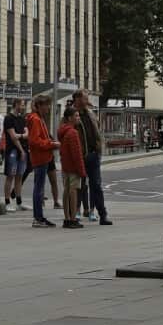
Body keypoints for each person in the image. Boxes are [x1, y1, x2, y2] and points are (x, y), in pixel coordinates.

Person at [72, 90, 112, 226]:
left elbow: (98, 128)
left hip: (93, 155)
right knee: (78, 185)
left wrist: (99, 147)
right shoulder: (70, 114)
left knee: (96, 185)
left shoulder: (90, 113)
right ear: (77, 99)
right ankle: (75, 212)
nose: (87, 101)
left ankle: (102, 214)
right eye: (84, 98)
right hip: (79, 156)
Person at [26, 95, 59, 228]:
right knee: (38, 189)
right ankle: (38, 218)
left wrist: (50, 143)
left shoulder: (38, 119)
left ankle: (39, 217)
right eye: (46, 105)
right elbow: (34, 141)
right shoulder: (35, 119)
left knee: (39, 188)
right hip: (40, 157)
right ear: (39, 106)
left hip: (42, 157)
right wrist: (51, 144)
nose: (48, 108)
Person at [57, 107, 86, 229]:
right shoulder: (73, 133)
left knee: (66, 190)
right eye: (76, 116)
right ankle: (73, 218)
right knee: (73, 191)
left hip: (65, 166)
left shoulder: (62, 131)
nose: (78, 118)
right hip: (73, 167)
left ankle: (66, 218)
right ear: (70, 118)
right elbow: (77, 154)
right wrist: (82, 171)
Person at [2, 98, 28, 212]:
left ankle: (19, 202)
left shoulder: (22, 118)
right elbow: (13, 137)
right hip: (12, 151)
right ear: (16, 104)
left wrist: (21, 135)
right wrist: (21, 150)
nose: (23, 107)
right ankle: (7, 202)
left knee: (19, 176)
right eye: (22, 105)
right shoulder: (8, 118)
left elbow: (27, 133)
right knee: (10, 176)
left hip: (21, 150)